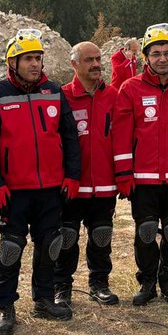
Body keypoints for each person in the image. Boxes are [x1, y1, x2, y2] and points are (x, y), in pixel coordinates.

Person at [0, 29, 81, 335]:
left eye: (38, 58)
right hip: (14, 190)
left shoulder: (52, 91)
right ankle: (5, 306)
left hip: (51, 187)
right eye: (28, 59)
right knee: (11, 248)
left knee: (50, 244)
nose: (35, 64)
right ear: (13, 62)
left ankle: (44, 299)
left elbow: (70, 135)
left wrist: (72, 175)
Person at [112, 23, 168, 305]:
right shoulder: (130, 88)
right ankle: (148, 282)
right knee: (146, 231)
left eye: (166, 52)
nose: (162, 58)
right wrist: (124, 174)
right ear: (146, 57)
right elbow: (122, 135)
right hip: (143, 177)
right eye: (155, 53)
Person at [55, 41, 121, 306]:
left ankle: (99, 284)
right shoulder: (62, 97)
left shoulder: (113, 96)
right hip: (72, 185)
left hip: (104, 184)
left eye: (98, 59)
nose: (95, 64)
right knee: (67, 238)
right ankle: (62, 287)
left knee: (101, 236)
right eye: (88, 60)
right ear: (74, 64)